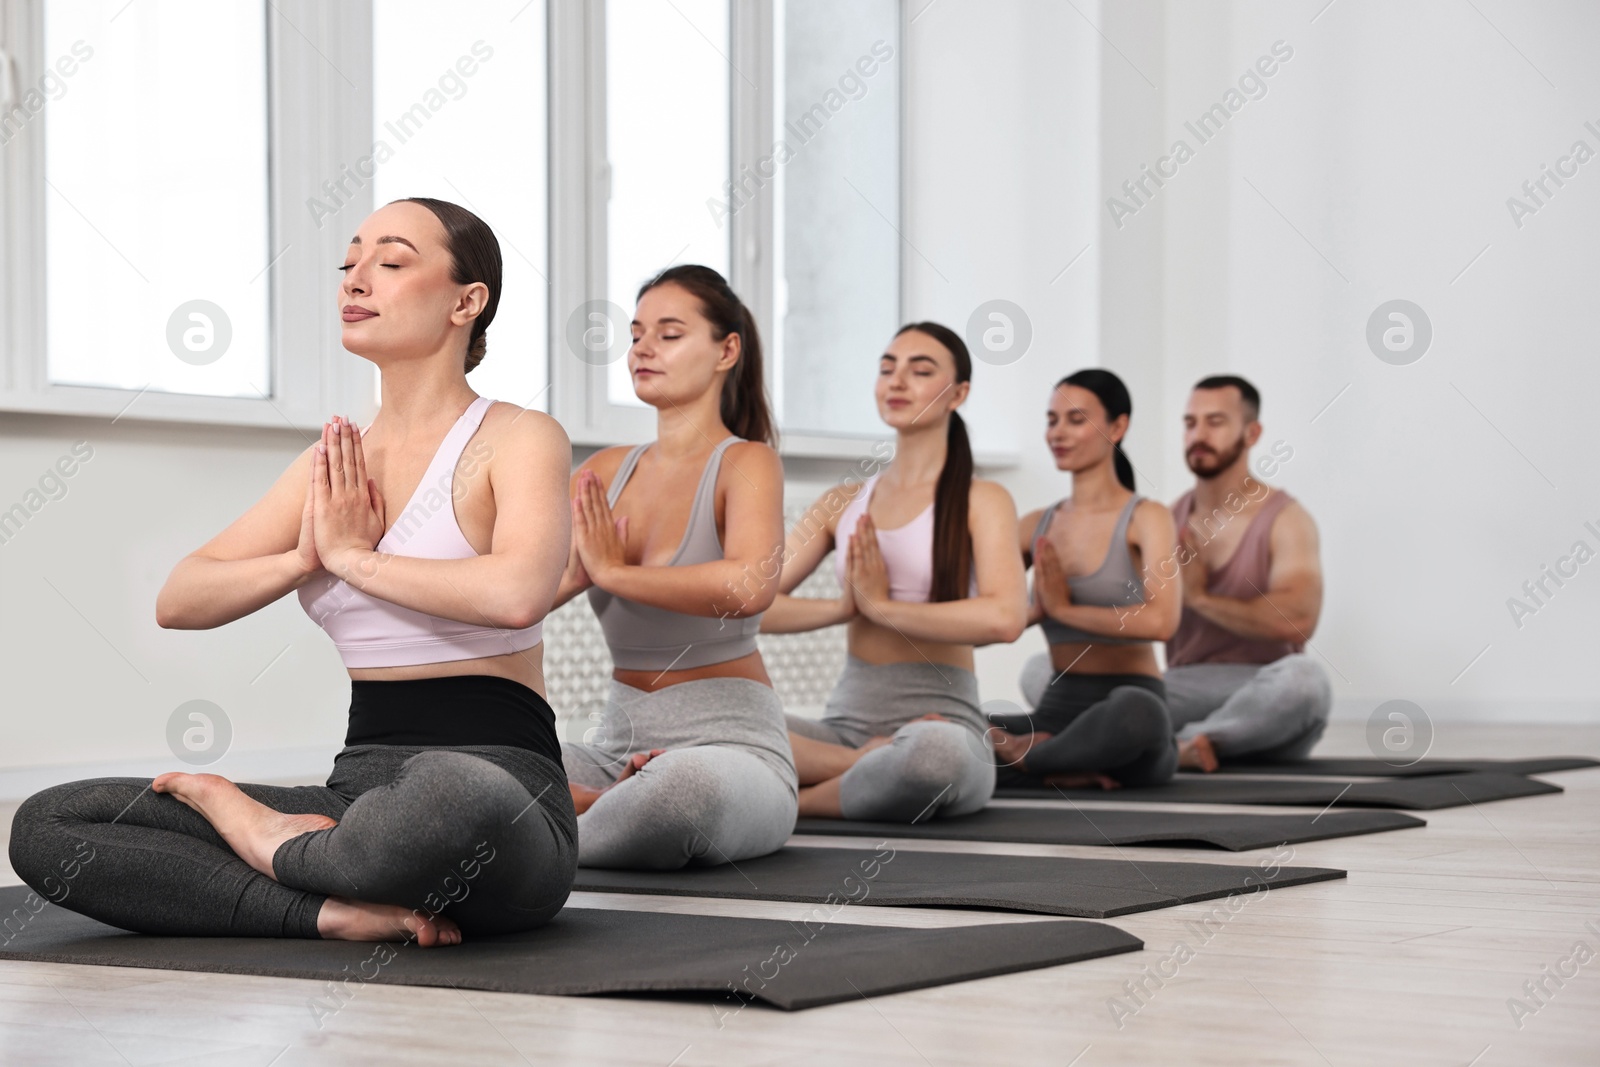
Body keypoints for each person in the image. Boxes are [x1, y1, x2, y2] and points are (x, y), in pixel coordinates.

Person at [9, 198, 576, 944]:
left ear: (467, 302)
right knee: (49, 823)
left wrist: (353, 559)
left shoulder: (519, 437)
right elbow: (180, 597)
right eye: (350, 263)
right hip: (356, 794)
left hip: (499, 791)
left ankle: (271, 841)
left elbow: (516, 593)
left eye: (392, 262)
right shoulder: (333, 468)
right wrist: (305, 556)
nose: (356, 279)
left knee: (448, 795)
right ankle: (328, 908)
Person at [553, 265, 797, 869]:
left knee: (677, 795)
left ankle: (552, 830)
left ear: (726, 350)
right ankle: (604, 804)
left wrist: (615, 574)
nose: (642, 348)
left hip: (731, 749)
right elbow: (526, 590)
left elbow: (749, 586)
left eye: (668, 333)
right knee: (466, 761)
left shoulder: (748, 462)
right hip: (614, 746)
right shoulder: (606, 471)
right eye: (636, 333)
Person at [761, 322, 1027, 821]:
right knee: (723, 718)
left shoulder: (982, 500)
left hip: (942, 722)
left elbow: (1005, 617)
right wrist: (845, 607)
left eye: (920, 370)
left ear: (959, 393)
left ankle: (796, 802)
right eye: (887, 368)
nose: (897, 381)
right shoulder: (842, 501)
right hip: (844, 725)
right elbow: (753, 607)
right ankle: (858, 765)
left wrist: (884, 608)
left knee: (932, 759)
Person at [989, 370, 1180, 788]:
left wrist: (1064, 610)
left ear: (1117, 426)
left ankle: (1029, 757)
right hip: (1057, 710)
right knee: (958, 722)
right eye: (1052, 420)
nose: (1058, 432)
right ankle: (1056, 761)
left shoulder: (1147, 518)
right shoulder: (1035, 525)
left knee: (1138, 713)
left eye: (1075, 420)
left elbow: (1162, 622)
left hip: (1128, 707)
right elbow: (980, 620)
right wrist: (1035, 612)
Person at [1163, 375, 1330, 770]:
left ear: (1252, 433)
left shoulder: (1287, 519)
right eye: (1190, 423)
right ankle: (1190, 748)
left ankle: (1163, 749)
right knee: (1048, 674)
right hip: (1187, 688)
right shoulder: (1165, 520)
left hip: (1267, 691)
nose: (1198, 435)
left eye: (1215, 422)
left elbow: (1298, 620)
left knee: (1306, 681)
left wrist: (1200, 598)